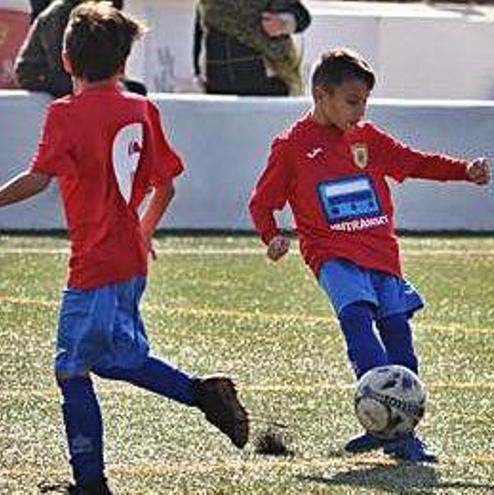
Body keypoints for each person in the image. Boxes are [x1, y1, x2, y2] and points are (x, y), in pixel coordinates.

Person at [0, 3, 249, 493]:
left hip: (93, 264)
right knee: (117, 357)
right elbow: (167, 187)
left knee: (71, 368)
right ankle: (204, 394)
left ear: (66, 60)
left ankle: (90, 483)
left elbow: (37, 179)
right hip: (129, 261)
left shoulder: (64, 114)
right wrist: (143, 230)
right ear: (124, 62)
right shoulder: (141, 108)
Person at [248, 47, 491, 462]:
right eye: (351, 101)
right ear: (321, 95)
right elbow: (261, 202)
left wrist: (462, 170)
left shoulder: (367, 137)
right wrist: (271, 235)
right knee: (358, 320)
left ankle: (399, 430)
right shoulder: (291, 146)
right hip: (332, 256)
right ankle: (384, 419)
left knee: (399, 336)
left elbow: (414, 162)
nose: (359, 112)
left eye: (364, 102)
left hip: (382, 253)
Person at [15, 0, 147, 98]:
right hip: (48, 75)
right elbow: (62, 66)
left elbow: (108, 60)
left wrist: (120, 84)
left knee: (137, 90)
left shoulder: (107, 12)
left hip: (87, 76)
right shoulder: (59, 14)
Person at [194, 0, 310, 96]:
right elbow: (200, 34)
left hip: (265, 84)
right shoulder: (207, 3)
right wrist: (198, 73)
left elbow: (302, 17)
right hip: (219, 84)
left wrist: (282, 23)